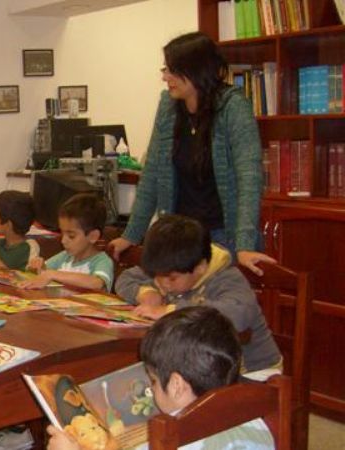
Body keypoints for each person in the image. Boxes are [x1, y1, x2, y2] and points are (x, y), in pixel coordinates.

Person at [106, 32, 276, 276]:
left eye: (172, 70)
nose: (165, 77)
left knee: (208, 306)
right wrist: (131, 235)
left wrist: (245, 245)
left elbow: (248, 179)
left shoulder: (233, 107)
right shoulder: (168, 107)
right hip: (179, 235)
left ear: (196, 70)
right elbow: (152, 175)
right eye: (165, 69)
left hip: (222, 235)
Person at [46, 306, 276, 450]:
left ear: (177, 385)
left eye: (153, 381)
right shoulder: (255, 416)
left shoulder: (166, 437)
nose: (150, 388)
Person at [115, 214, 282, 377]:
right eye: (158, 275)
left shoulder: (227, 278)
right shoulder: (170, 266)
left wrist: (170, 311)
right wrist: (145, 293)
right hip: (202, 366)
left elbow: (238, 314)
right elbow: (126, 278)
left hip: (252, 373)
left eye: (172, 278)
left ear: (200, 267)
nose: (164, 284)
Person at [20, 194, 113, 291]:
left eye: (71, 236)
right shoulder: (64, 257)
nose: (63, 240)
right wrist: (36, 267)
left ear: (93, 236)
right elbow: (42, 274)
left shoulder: (102, 261)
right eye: (61, 233)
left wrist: (52, 274)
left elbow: (96, 283)